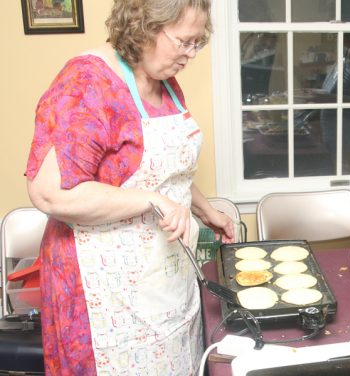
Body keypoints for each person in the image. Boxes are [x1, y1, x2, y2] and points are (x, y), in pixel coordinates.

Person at [25, 0, 235, 374]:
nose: (190, 55)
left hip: (163, 278)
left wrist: (205, 210)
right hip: (104, 291)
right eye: (184, 42)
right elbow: (50, 193)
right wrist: (153, 201)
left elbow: (166, 170)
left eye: (197, 43)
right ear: (145, 26)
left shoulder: (163, 80)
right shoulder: (88, 82)